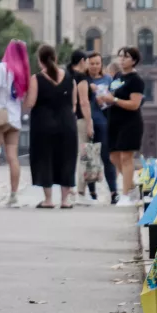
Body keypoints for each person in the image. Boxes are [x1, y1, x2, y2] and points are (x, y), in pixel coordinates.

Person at [24, 44, 78, 208]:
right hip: (67, 122)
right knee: (67, 158)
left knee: (44, 158)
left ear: (40, 61)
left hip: (43, 124)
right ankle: (64, 200)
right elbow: (74, 104)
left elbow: (31, 102)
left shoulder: (37, 78)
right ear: (55, 58)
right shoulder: (70, 78)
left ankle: (48, 200)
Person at [0, 39, 29, 207]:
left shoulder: (2, 67)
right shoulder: (23, 72)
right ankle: (14, 195)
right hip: (14, 118)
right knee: (12, 157)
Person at [98, 46, 145, 204]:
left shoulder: (136, 80)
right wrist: (105, 98)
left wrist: (115, 101)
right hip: (114, 120)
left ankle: (125, 195)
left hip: (130, 122)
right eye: (120, 56)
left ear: (134, 60)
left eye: (126, 57)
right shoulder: (118, 76)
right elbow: (112, 93)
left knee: (126, 157)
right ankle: (131, 186)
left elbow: (134, 104)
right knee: (113, 156)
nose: (122, 59)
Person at [85, 51, 118, 201]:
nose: (95, 66)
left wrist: (106, 98)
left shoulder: (108, 79)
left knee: (106, 157)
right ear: (87, 64)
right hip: (88, 122)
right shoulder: (83, 80)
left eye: (97, 63)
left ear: (101, 64)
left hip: (104, 122)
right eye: (92, 63)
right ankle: (92, 192)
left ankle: (113, 191)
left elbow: (116, 96)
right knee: (90, 158)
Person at [67, 50, 99, 205]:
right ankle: (80, 191)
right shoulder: (81, 78)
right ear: (82, 61)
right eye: (87, 61)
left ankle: (69, 191)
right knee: (84, 154)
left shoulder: (66, 76)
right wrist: (89, 122)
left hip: (66, 119)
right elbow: (84, 102)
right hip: (80, 119)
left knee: (71, 156)